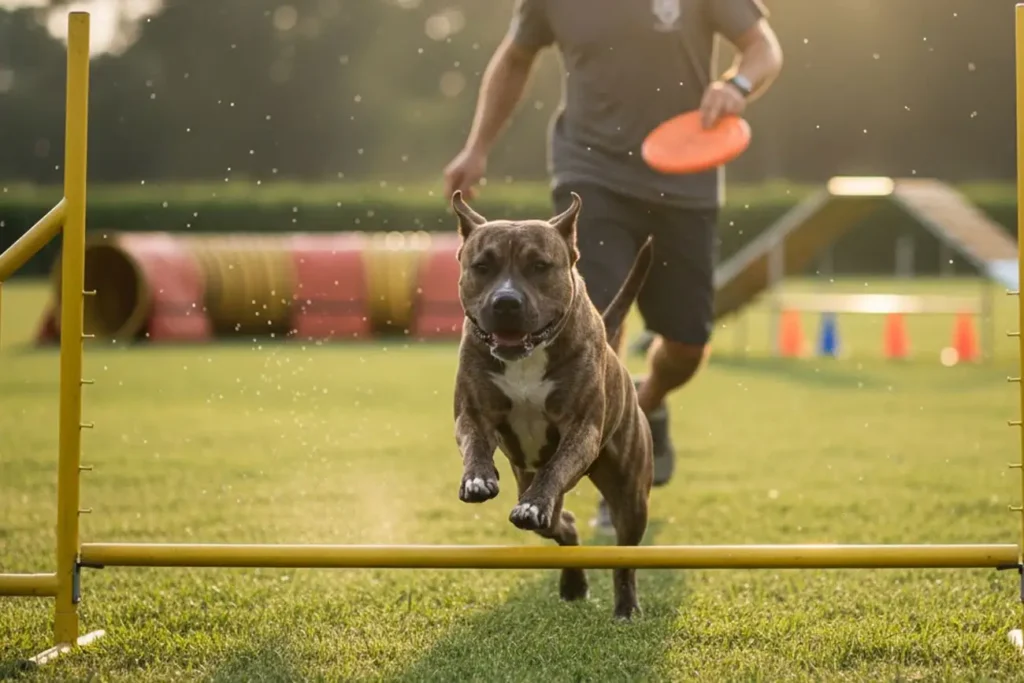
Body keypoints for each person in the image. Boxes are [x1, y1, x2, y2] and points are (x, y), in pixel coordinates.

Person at [443, 0, 783, 529]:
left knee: (688, 345)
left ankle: (645, 401)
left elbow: (764, 49)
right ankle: (607, 469)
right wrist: (476, 147)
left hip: (686, 176)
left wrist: (736, 87)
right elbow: (514, 59)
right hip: (591, 169)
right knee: (599, 322)